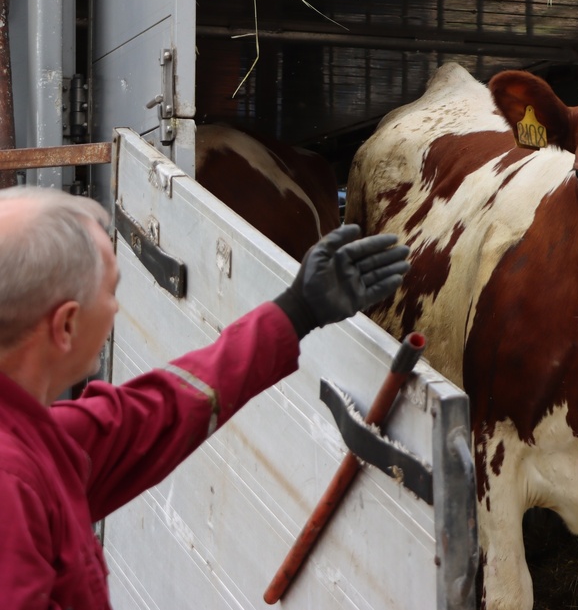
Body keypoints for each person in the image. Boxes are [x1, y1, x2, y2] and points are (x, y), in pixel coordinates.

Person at [0, 185, 410, 609]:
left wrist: (297, 310)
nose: (116, 307)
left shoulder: (40, 440)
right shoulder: (11, 486)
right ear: (66, 326)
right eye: (110, 291)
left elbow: (159, 412)